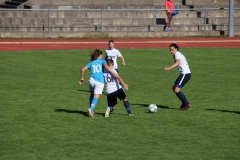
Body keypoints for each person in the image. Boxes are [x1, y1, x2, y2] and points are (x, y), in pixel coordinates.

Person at [79, 49, 119, 118]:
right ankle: (91, 109)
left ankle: (91, 109)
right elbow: (107, 67)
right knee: (97, 97)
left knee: (92, 94)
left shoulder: (91, 62)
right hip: (99, 81)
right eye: (102, 55)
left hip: (91, 80)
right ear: (100, 55)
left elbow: (82, 70)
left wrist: (82, 78)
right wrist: (114, 73)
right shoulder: (102, 61)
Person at [164, 43, 192, 110]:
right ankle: (184, 103)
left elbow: (177, 63)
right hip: (183, 74)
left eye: (172, 50)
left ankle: (187, 104)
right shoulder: (176, 54)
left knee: (177, 89)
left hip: (185, 74)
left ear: (176, 49)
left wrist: (169, 68)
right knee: (174, 88)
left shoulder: (177, 54)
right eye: (170, 50)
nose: (171, 51)